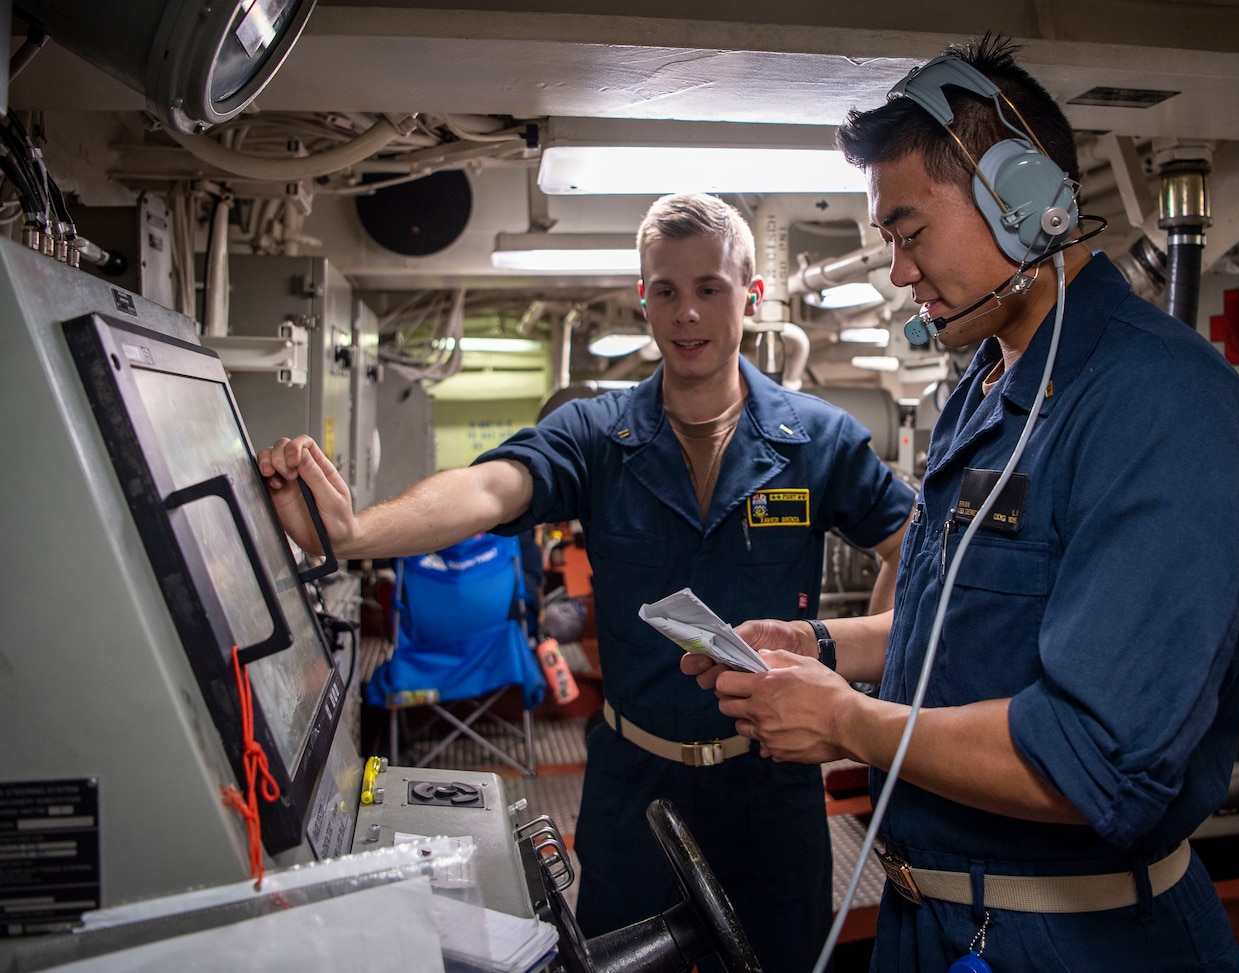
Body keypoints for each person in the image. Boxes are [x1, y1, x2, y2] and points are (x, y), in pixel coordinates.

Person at [684, 37, 1239, 972]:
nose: (899, 271)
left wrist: (843, 718)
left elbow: (1090, 757)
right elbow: (961, 607)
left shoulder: (1163, 410)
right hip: (940, 923)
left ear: (1023, 201)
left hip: (1074, 940)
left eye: (911, 231)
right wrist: (827, 647)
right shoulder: (987, 386)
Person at [258, 191, 915, 972]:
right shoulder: (598, 434)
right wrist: (356, 532)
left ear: (751, 295)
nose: (687, 313)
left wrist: (857, 686)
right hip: (634, 786)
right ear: (643, 297)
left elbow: (914, 555)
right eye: (665, 290)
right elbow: (491, 489)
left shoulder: (818, 440)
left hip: (771, 790)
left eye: (710, 288)